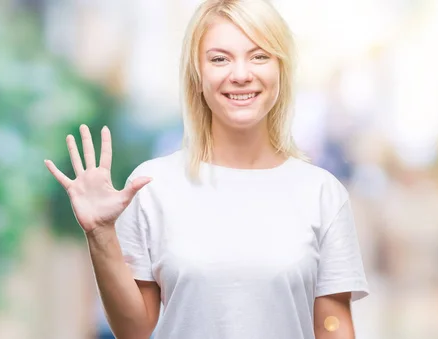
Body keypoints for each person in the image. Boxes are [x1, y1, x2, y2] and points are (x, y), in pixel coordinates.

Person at [44, 0, 369, 338]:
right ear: (197, 76)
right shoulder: (153, 186)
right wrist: (100, 234)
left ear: (281, 70)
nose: (241, 74)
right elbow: (134, 329)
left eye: (259, 56)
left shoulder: (322, 193)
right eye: (219, 59)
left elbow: (332, 324)